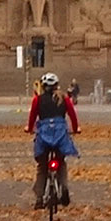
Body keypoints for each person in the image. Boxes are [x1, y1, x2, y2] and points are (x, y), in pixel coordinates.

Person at [27, 71, 80, 207]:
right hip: (60, 133)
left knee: (42, 166)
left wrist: (29, 128)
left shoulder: (37, 100)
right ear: (57, 86)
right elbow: (73, 116)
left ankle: (39, 198)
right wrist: (75, 128)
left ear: (43, 87)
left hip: (44, 134)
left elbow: (32, 118)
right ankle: (64, 187)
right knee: (61, 162)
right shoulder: (64, 99)